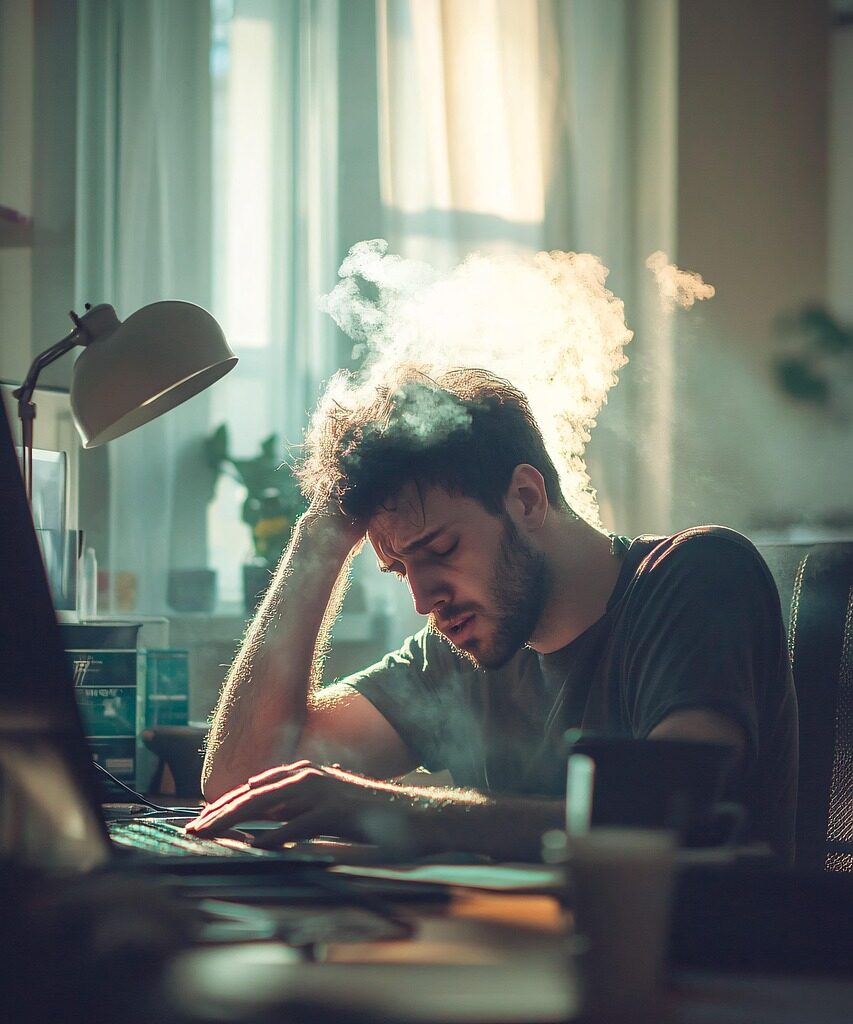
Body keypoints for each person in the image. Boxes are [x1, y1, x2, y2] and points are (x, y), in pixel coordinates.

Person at [189, 367, 798, 863]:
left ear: (527, 499)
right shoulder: (460, 650)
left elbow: (672, 813)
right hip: (517, 967)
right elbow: (244, 781)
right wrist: (316, 540)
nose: (424, 600)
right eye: (402, 568)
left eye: (441, 550)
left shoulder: (694, 576)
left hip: (691, 981)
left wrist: (392, 811)